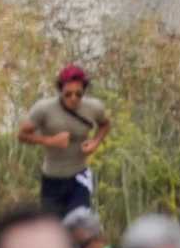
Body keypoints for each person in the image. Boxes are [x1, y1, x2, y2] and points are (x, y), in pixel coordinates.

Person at [18, 62, 111, 217]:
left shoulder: (94, 107)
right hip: (52, 178)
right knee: (53, 230)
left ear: (84, 91)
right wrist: (50, 141)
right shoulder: (43, 109)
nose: (73, 98)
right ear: (60, 91)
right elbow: (22, 135)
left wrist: (95, 142)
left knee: (79, 224)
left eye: (78, 94)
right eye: (68, 94)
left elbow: (105, 125)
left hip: (80, 176)